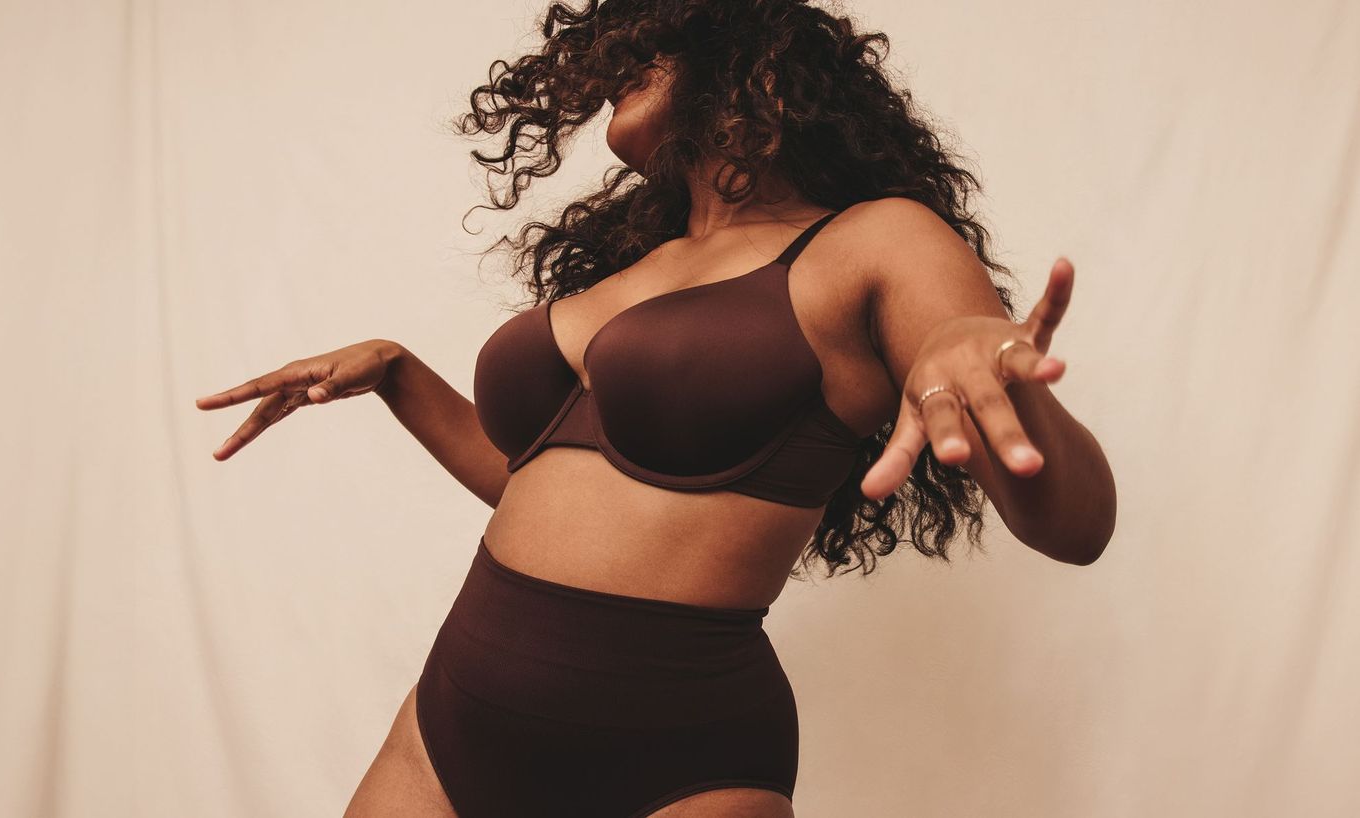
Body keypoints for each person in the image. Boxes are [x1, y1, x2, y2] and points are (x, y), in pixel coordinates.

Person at [195, 1, 1117, 815]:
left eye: (661, 38)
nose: (617, 57)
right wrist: (400, 374)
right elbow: (550, 496)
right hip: (448, 729)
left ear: (752, 62)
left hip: (679, 760)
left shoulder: (874, 240)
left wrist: (977, 355)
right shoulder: (634, 268)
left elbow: (1074, 523)